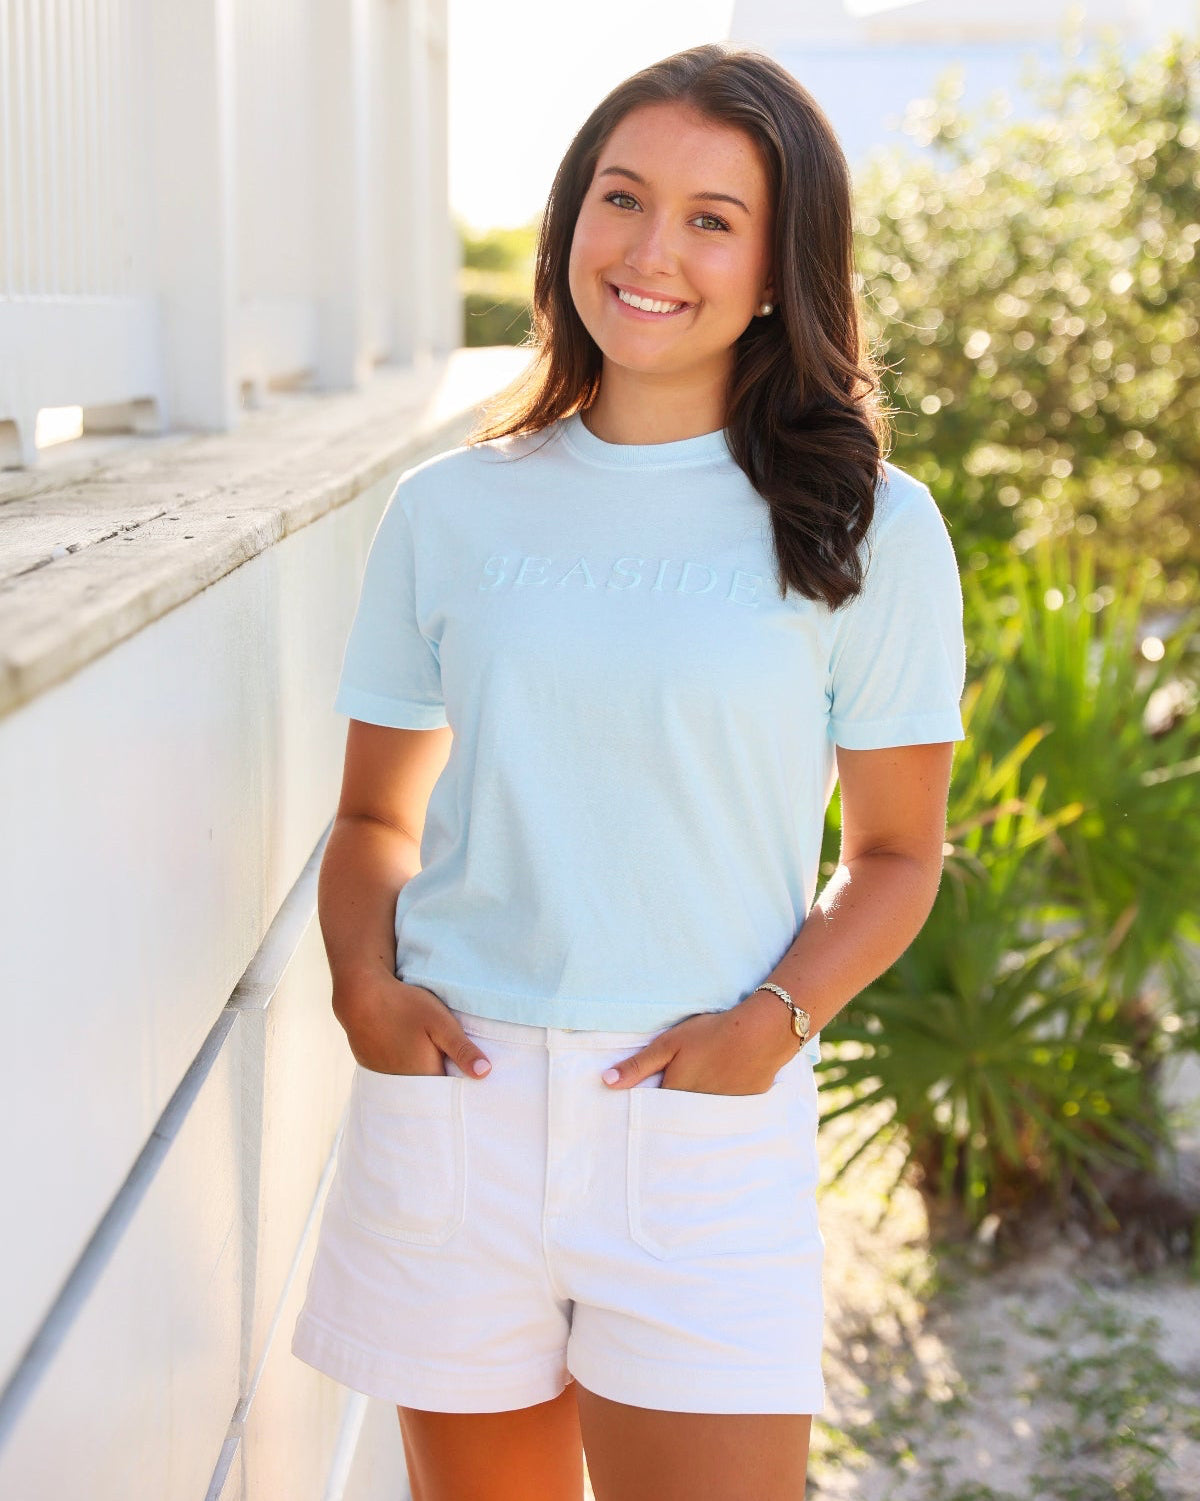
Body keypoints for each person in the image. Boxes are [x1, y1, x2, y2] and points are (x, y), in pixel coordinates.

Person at [291, 39, 966, 1501]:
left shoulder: (870, 525)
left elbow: (899, 855)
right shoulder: (451, 509)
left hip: (698, 1117)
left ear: (783, 263)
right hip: (455, 1102)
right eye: (621, 197)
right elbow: (370, 815)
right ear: (569, 220)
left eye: (714, 218)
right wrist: (363, 984)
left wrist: (769, 1030)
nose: (653, 250)